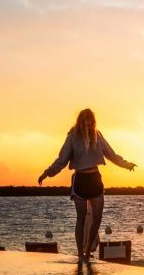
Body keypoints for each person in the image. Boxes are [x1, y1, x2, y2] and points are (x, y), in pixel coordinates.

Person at [38, 108, 136, 260]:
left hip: (95, 179)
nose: (87, 122)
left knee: (97, 217)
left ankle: (87, 248)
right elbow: (62, 160)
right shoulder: (72, 137)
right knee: (81, 217)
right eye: (84, 119)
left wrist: (126, 164)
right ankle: (80, 253)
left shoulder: (97, 135)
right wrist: (47, 173)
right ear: (80, 121)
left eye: (90, 119)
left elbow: (111, 154)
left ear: (93, 121)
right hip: (80, 180)